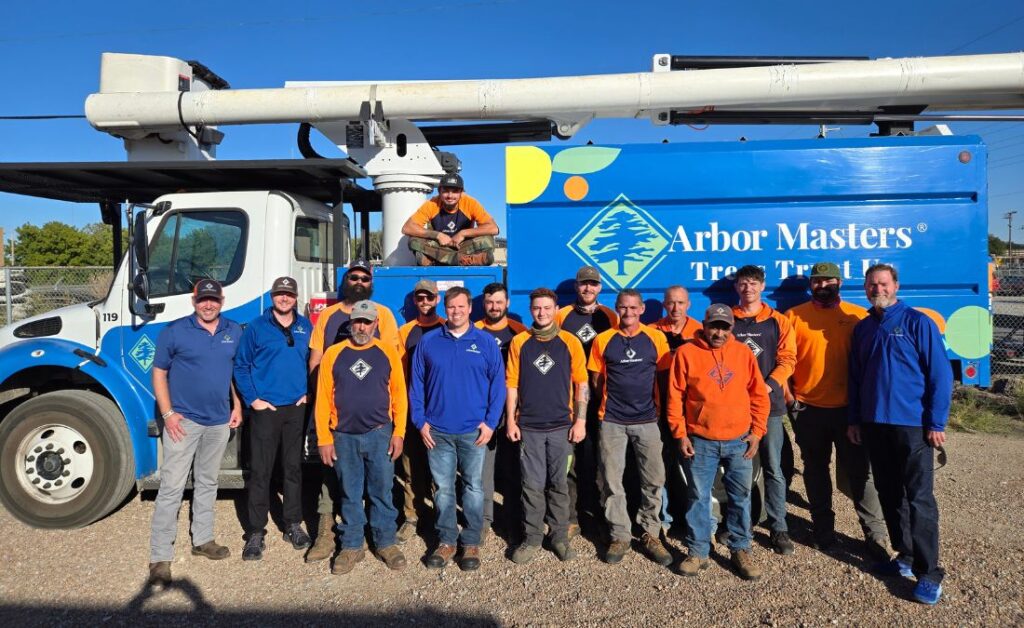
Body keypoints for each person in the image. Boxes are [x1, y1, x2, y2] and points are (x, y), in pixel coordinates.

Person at [848, 263, 953, 605]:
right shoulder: (863, 329)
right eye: (871, 284)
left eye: (883, 283)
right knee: (889, 493)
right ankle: (905, 555)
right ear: (865, 289)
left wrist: (936, 423)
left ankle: (929, 573)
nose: (877, 289)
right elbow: (856, 379)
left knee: (919, 498)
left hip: (911, 425)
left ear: (895, 285)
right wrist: (854, 419)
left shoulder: (917, 323)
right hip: (874, 424)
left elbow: (940, 376)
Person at [785, 262, 889, 560]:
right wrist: (791, 399)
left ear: (839, 283)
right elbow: (786, 362)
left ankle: (876, 536)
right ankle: (823, 531)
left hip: (849, 412)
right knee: (815, 472)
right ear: (810, 286)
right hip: (808, 410)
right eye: (816, 282)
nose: (822, 286)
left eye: (828, 280)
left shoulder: (858, 316)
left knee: (860, 473)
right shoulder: (794, 316)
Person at [147, 280, 243, 587]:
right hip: (184, 421)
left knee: (207, 481)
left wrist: (237, 405)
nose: (208, 305)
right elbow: (159, 372)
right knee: (172, 486)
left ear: (222, 300)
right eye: (203, 300)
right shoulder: (175, 331)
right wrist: (168, 414)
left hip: (218, 422)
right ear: (194, 301)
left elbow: (233, 373)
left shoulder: (233, 331)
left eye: (213, 300)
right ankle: (160, 556)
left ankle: (203, 540)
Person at [305, 259, 401, 563]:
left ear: (376, 324)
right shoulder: (333, 353)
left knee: (382, 490)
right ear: (351, 324)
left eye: (367, 322)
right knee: (348, 492)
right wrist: (323, 437)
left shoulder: (387, 350)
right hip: (342, 434)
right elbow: (322, 398)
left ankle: (385, 542)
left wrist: (398, 431)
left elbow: (398, 391)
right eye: (357, 322)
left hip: (379, 432)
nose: (361, 326)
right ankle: (351, 546)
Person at [667, 304, 769, 581]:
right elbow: (675, 396)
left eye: (725, 327)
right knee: (698, 498)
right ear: (704, 324)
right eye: (714, 326)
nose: (719, 332)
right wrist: (680, 433)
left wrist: (757, 432)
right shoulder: (686, 353)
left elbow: (759, 394)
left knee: (740, 496)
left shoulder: (743, 353)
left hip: (739, 440)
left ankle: (740, 548)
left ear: (732, 328)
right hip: (700, 441)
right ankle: (698, 550)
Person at [410, 287, 506, 571]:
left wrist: (490, 423)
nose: (456, 311)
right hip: (437, 431)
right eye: (451, 307)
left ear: (469, 308)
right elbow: (416, 386)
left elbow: (498, 386)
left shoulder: (486, 343)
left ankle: (472, 540)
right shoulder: (428, 343)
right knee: (442, 489)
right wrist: (420, 421)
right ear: (445, 308)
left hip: (473, 433)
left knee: (474, 487)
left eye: (461, 306)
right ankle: (447, 540)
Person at [589, 289, 672, 567]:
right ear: (617, 309)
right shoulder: (603, 340)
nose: (628, 312)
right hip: (612, 420)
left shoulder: (656, 338)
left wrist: (659, 411)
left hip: (647, 420)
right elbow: (596, 378)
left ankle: (650, 532)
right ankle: (620, 534)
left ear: (642, 309)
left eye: (633, 308)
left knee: (654, 479)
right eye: (623, 308)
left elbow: (662, 378)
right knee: (613, 481)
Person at [505, 287, 589, 563]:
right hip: (528, 427)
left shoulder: (570, 342)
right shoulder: (519, 342)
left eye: (546, 308)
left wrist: (580, 420)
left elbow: (582, 385)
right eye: (536, 308)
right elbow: (512, 385)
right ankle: (531, 538)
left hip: (561, 428)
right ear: (531, 310)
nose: (541, 313)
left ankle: (559, 536)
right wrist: (510, 420)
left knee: (559, 484)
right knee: (531, 485)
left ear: (555, 310)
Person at [234, 277, 313, 561]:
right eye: (280, 294)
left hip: (296, 408)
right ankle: (256, 531)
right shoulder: (256, 327)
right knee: (261, 472)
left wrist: (307, 393)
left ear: (295, 297)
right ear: (272, 297)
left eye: (289, 294)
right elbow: (241, 366)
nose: (284, 299)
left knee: (292, 468)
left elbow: (312, 361)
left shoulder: (305, 325)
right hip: (265, 409)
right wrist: (253, 400)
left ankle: (292, 523)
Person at [730, 265, 796, 555]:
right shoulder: (727, 320)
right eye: (743, 284)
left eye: (753, 283)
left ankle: (778, 526)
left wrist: (768, 385)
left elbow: (788, 359)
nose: (748, 289)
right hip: (734, 407)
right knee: (737, 469)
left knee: (774, 467)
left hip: (769, 406)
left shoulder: (778, 321)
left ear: (762, 286)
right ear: (737, 288)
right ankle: (736, 524)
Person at [556, 265, 619, 538]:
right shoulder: (562, 315)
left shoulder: (610, 316)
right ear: (576, 287)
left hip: (602, 401)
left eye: (593, 284)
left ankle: (597, 515)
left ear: (600, 288)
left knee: (601, 461)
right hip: (568, 400)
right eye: (583, 284)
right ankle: (571, 517)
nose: (588, 289)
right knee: (570, 460)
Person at [474, 282, 527, 540]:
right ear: (484, 305)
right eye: (489, 302)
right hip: (483, 413)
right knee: (483, 470)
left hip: (512, 412)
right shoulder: (474, 332)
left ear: (507, 303)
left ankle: (512, 519)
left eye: (498, 302)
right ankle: (484, 520)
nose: (494, 307)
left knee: (513, 469)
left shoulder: (519, 333)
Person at [394, 279, 445, 543]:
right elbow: (399, 374)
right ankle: (412, 515)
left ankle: (440, 517)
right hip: (413, 408)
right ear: (415, 302)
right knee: (411, 467)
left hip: (441, 410)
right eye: (420, 298)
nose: (425, 302)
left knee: (440, 467)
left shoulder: (447, 328)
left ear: (438, 299)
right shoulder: (406, 332)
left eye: (429, 298)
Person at [650, 285, 702, 535]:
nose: (675, 308)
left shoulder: (701, 332)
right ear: (664, 304)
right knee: (661, 467)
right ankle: (666, 519)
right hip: (658, 410)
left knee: (693, 468)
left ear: (689, 305)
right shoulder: (650, 332)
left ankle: (696, 520)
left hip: (690, 413)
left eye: (681, 303)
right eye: (671, 303)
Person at [402, 173, 499, 266]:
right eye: (445, 191)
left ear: (461, 192)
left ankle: (438, 261)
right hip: (437, 246)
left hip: (462, 246)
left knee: (488, 240)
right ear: (439, 191)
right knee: (414, 240)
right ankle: (462, 260)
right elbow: (407, 228)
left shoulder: (470, 203)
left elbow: (493, 228)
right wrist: (438, 235)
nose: (450, 195)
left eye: (455, 191)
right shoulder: (432, 204)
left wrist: (463, 233)